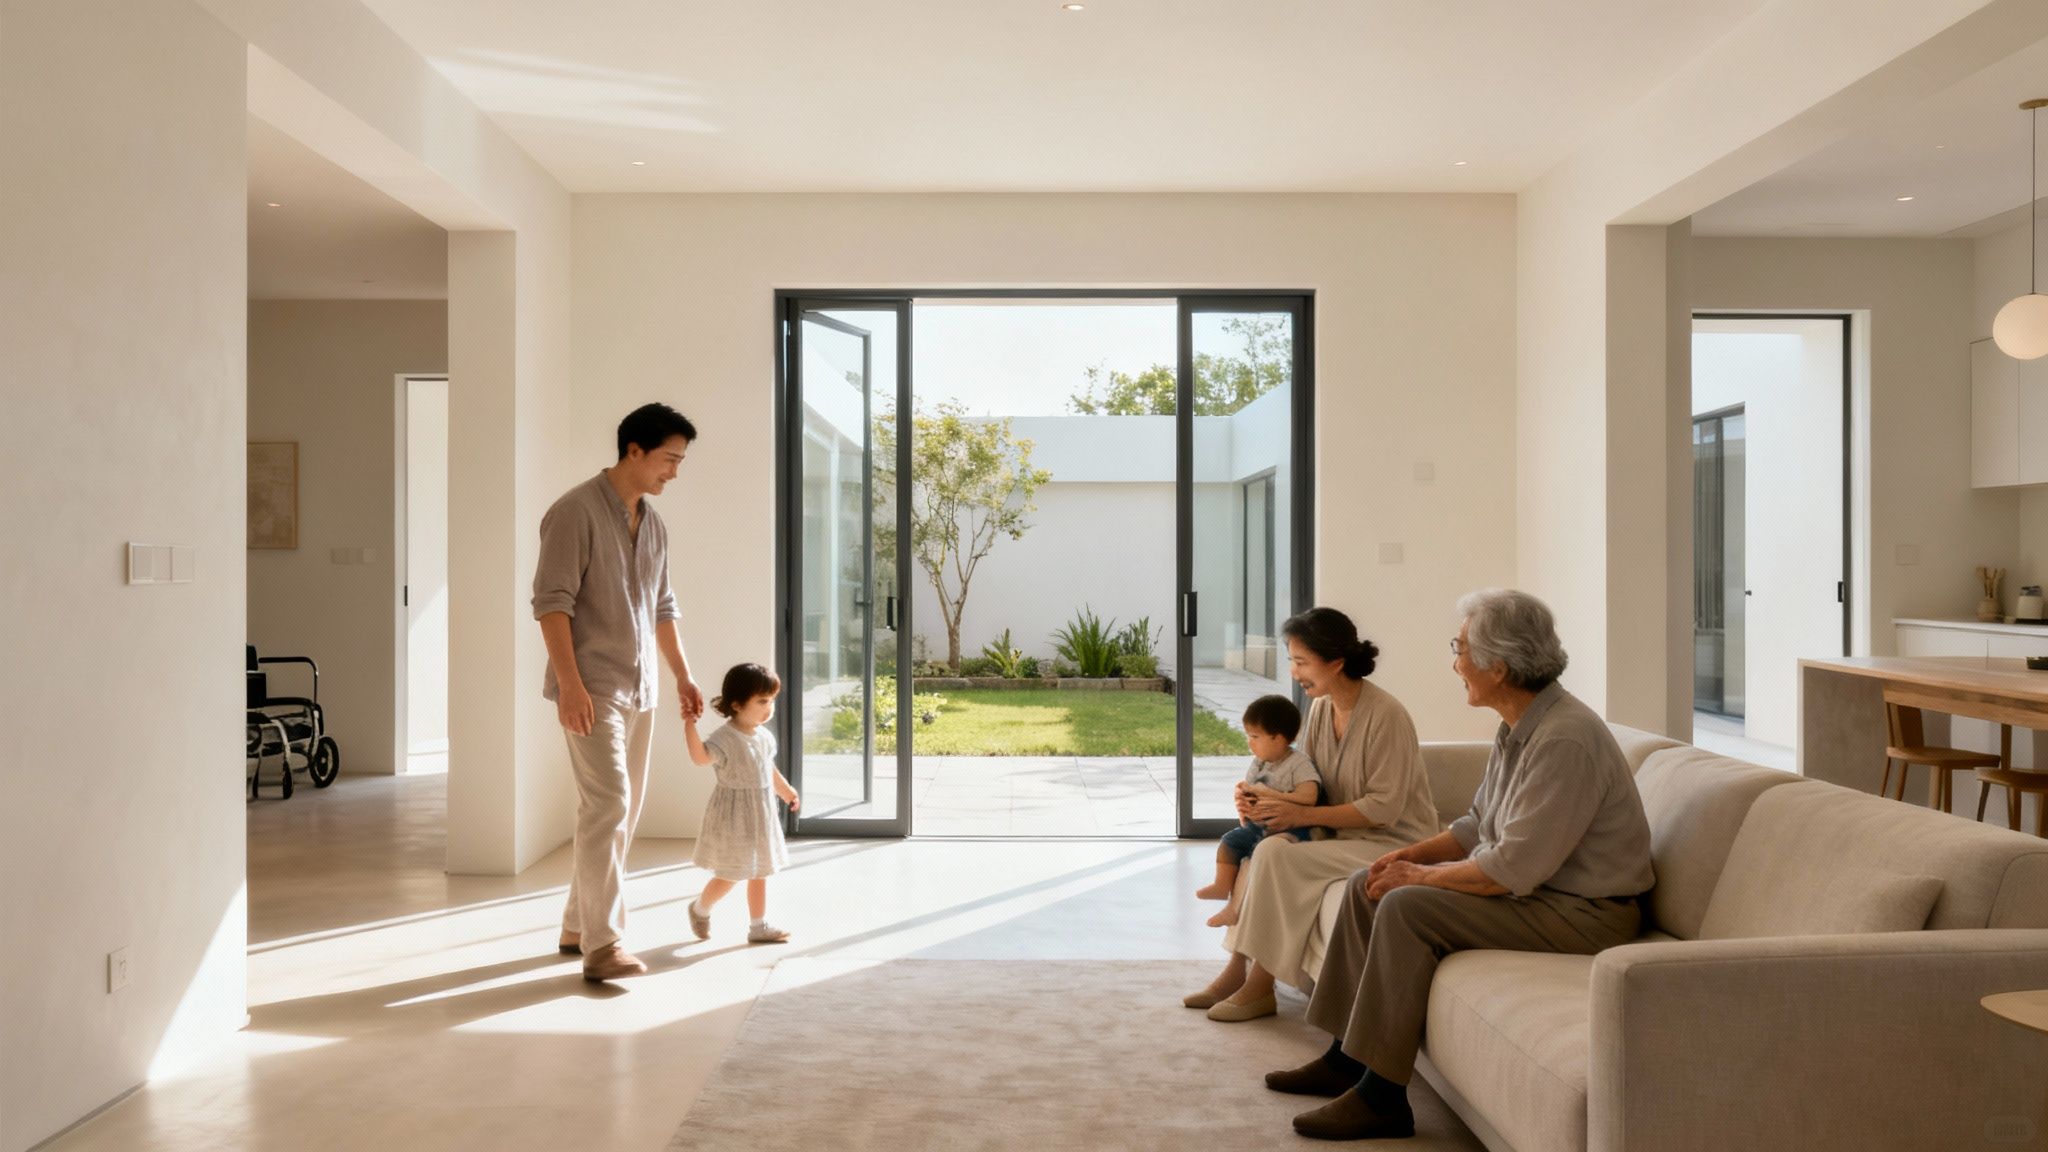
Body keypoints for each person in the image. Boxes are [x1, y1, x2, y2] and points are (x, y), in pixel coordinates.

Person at [1266, 588, 1654, 1141]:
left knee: (1405, 906)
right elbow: (1477, 824)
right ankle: (1346, 1056)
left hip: (1584, 912)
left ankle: (1382, 1097)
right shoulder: (1519, 725)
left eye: (1461, 649)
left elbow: (1512, 867)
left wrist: (1417, 878)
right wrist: (1404, 856)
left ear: (1499, 665)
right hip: (1542, 895)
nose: (1455, 663)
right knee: (1364, 885)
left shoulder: (1564, 739)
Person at [1187, 607, 1438, 1023]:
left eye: (1301, 662)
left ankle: (1258, 986)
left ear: (1336, 663)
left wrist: (1298, 818)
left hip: (1394, 840)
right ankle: (1236, 970)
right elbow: (1311, 785)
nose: (1294, 671)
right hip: (1341, 835)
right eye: (1291, 659)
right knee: (1262, 847)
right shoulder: (1321, 709)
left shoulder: (1386, 715)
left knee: (1275, 856)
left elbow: (1384, 807)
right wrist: (1260, 800)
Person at [532, 402, 704, 983]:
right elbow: (551, 605)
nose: (675, 472)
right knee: (607, 805)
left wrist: (681, 675)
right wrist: (572, 687)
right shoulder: (573, 512)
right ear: (635, 450)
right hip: (592, 687)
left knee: (618, 812)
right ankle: (604, 947)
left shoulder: (652, 524)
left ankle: (578, 925)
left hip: (642, 688)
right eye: (669, 459)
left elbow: (662, 606)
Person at [684, 663, 801, 944]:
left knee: (761, 869)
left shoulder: (763, 736)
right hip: (734, 816)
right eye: (762, 701)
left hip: (760, 811)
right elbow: (700, 757)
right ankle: (700, 909)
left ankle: (758, 926)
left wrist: (785, 790)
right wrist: (689, 725)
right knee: (731, 874)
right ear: (736, 705)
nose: (768, 707)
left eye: (771, 700)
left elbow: (767, 769)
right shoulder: (725, 738)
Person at [1195, 695, 1322, 929]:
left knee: (1254, 859)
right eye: (1248, 736)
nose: (1250, 743)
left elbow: (1309, 796)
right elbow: (1252, 791)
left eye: (1255, 737)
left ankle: (1234, 910)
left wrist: (1274, 796)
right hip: (1258, 825)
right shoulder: (1259, 762)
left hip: (1291, 828)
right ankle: (1221, 886)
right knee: (1230, 841)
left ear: (1279, 738)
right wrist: (1245, 799)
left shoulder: (1298, 763)